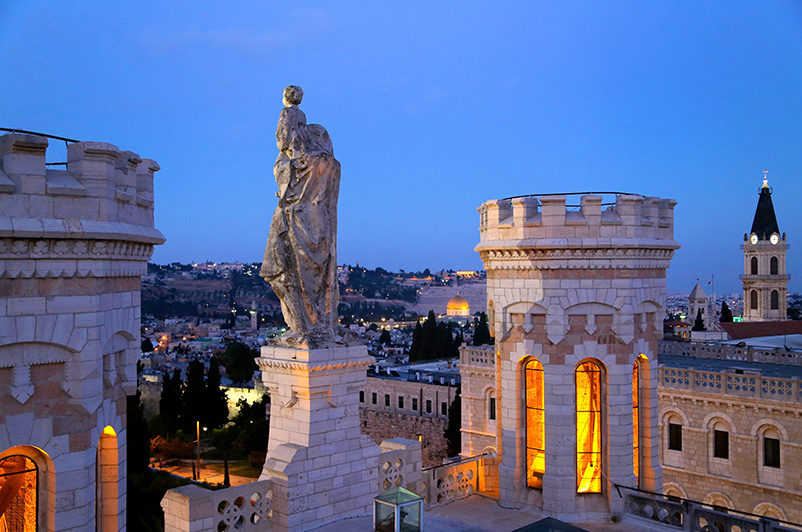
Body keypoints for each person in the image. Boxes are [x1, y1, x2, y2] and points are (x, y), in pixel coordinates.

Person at [260, 86, 341, 347]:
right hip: (320, 225)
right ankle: (315, 326)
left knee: (285, 270)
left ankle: (303, 327)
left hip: (295, 221)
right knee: (313, 276)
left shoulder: (293, 164)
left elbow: (283, 149)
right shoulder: (328, 164)